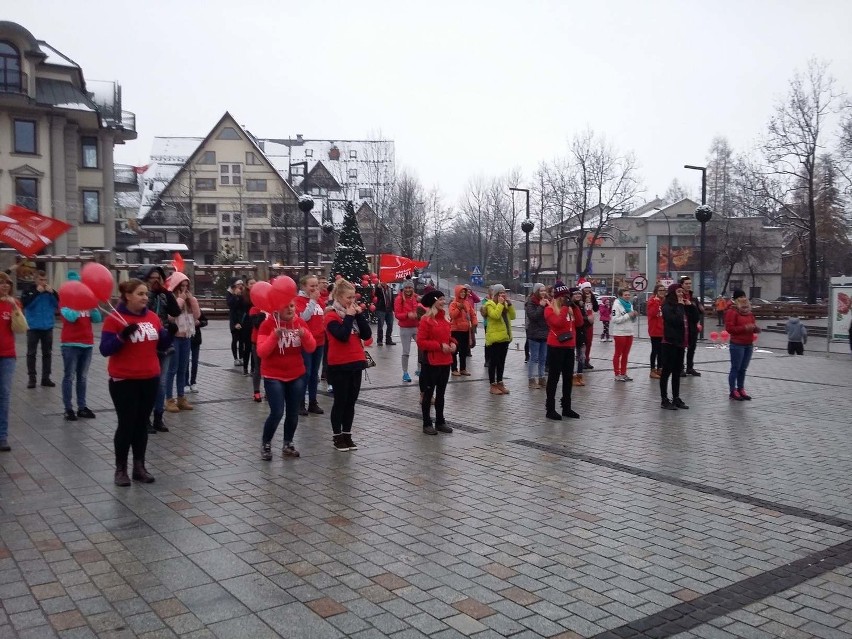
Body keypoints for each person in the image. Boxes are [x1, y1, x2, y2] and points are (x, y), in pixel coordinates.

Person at [99, 279, 172, 486]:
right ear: (128, 296)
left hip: (149, 378)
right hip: (124, 380)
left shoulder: (152, 317)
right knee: (126, 424)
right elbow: (105, 349)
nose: (145, 298)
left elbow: (163, 344)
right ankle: (120, 469)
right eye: (140, 294)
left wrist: (169, 333)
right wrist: (121, 337)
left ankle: (139, 467)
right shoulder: (115, 318)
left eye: (146, 294)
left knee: (141, 424)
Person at [257, 298, 317, 460]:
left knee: (293, 412)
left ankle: (288, 443)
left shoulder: (300, 323)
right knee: (277, 412)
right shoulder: (268, 325)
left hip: (296, 374)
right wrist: (273, 337)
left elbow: (311, 347)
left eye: (292, 306)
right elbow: (262, 352)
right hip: (273, 375)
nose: (290, 309)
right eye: (286, 306)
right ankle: (266, 443)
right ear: (276, 309)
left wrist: (305, 336)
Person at [325, 279, 372, 451]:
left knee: (351, 402)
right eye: (348, 298)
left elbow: (366, 335)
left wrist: (358, 315)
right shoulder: (330, 315)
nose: (351, 301)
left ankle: (347, 434)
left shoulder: (353, 315)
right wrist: (350, 316)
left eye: (353, 297)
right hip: (339, 364)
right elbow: (342, 335)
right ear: (338, 296)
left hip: (356, 362)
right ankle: (337, 437)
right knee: (341, 401)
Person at [138, 265, 180, 434]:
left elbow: (175, 311)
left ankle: (158, 417)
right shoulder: (141, 296)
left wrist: (166, 292)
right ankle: (144, 418)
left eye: (158, 278)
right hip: (146, 343)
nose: (155, 281)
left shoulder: (164, 295)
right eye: (152, 278)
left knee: (161, 383)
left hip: (163, 343)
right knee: (147, 383)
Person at [59, 270, 103, 421]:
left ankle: (82, 407)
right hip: (70, 343)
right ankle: (68, 408)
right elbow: (70, 317)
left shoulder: (87, 302)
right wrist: (78, 305)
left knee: (82, 377)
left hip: (87, 343)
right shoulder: (64, 301)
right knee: (69, 376)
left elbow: (97, 319)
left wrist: (93, 306)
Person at [417, 290, 455, 435]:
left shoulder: (445, 319)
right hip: (431, 362)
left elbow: (448, 337)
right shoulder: (426, 320)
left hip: (445, 361)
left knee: (441, 393)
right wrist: (439, 346)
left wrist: (453, 344)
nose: (443, 302)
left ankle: (440, 421)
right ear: (434, 301)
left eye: (444, 299)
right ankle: (427, 423)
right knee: (428, 393)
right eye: (440, 299)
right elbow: (421, 342)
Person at [544, 282, 583, 420]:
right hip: (556, 347)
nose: (566, 298)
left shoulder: (569, 309)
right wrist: (566, 307)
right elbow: (558, 323)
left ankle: (566, 407)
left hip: (569, 347)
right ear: (558, 297)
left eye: (567, 296)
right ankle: (550, 409)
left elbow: (579, 323)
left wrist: (575, 306)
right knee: (553, 379)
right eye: (563, 296)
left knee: (568, 378)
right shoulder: (549, 310)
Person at [163, 273, 200, 413]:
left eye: (186, 286)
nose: (184, 289)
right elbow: (171, 317)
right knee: (172, 369)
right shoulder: (171, 298)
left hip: (187, 336)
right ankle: (169, 399)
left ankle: (181, 397)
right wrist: (180, 300)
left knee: (183, 369)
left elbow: (197, 316)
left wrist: (192, 301)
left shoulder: (188, 299)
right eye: (181, 286)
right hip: (174, 337)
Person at [0, 273, 26, 452]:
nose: (5, 286)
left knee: (4, 395)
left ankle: (2, 436)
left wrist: (15, 309)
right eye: (1, 283)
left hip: (7, 355)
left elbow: (21, 328)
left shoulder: (14, 303)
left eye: (7, 283)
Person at [295, 275, 326, 415]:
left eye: (316, 285)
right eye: (311, 286)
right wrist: (312, 301)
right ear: (303, 287)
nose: (315, 288)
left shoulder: (319, 300)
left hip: (319, 341)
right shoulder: (298, 300)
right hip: (306, 342)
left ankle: (313, 402)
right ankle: (300, 402)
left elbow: (322, 316)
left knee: (314, 373)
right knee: (304, 373)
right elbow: (303, 318)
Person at [22, 270, 59, 388]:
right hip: (33, 327)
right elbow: (26, 304)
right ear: (35, 279)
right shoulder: (28, 290)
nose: (43, 282)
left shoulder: (50, 291)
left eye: (45, 280)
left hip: (47, 327)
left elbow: (57, 304)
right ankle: (32, 378)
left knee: (47, 353)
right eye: (41, 280)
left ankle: (46, 378)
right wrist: (36, 293)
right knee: (31, 353)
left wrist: (52, 293)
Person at [725, 289, 760, 401]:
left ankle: (741, 389)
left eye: (744, 297)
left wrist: (755, 329)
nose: (744, 299)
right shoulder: (732, 311)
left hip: (748, 344)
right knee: (736, 368)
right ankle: (733, 390)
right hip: (737, 344)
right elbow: (730, 329)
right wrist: (744, 328)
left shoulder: (749, 312)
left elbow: (752, 324)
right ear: (736, 300)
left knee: (743, 369)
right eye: (741, 297)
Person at [659, 284, 690, 410]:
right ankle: (664, 399)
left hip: (680, 342)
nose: (681, 294)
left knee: (677, 371)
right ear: (672, 293)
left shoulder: (682, 305)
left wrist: (690, 306)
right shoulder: (667, 306)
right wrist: (681, 305)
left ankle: (676, 397)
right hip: (669, 342)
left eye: (682, 292)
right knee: (667, 372)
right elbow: (675, 320)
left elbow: (692, 318)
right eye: (678, 292)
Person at [483, 284, 515, 394]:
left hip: (505, 338)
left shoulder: (505, 304)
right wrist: (501, 304)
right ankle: (492, 385)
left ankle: (500, 382)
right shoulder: (489, 304)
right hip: (495, 339)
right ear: (496, 294)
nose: (503, 295)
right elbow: (495, 316)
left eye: (504, 293)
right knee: (494, 363)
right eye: (500, 293)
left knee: (501, 362)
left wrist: (509, 305)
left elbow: (513, 316)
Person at [394, 279, 420, 383]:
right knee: (406, 352)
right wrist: (407, 315)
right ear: (403, 288)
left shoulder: (416, 298)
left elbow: (423, 307)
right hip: (405, 328)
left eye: (410, 287)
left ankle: (420, 369)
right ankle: (405, 373)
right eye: (406, 288)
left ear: (413, 289)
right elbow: (397, 314)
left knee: (422, 348)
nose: (408, 289)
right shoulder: (399, 299)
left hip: (416, 327)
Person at [524, 283, 549, 389]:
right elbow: (533, 316)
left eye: (544, 290)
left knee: (543, 358)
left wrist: (549, 305)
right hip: (534, 333)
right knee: (534, 358)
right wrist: (541, 306)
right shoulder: (531, 302)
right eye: (541, 290)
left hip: (545, 333)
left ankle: (542, 378)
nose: (543, 292)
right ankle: (531, 379)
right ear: (536, 291)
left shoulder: (547, 301)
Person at [611, 287, 638, 381]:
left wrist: (634, 315)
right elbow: (615, 320)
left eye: (628, 295)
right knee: (618, 354)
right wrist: (628, 315)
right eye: (625, 295)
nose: (627, 296)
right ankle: (617, 374)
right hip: (620, 333)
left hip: (629, 332)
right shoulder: (616, 305)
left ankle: (623, 373)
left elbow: (631, 318)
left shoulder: (629, 304)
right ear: (620, 296)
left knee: (626, 354)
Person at [449, 285, 476, 377]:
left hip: (465, 330)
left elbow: (472, 314)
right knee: (454, 350)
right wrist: (459, 308)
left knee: (464, 350)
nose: (463, 294)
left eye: (464, 292)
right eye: (461, 292)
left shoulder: (467, 303)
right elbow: (452, 315)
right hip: (455, 330)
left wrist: (474, 323)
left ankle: (463, 368)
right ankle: (454, 369)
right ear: (457, 293)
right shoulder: (453, 304)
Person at [680, 276, 703, 376]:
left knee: (692, 348)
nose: (688, 285)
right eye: (686, 284)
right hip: (682, 327)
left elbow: (699, 311)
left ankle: (690, 367)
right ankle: (680, 368)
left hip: (693, 327)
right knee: (681, 349)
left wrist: (693, 306)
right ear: (682, 285)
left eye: (690, 283)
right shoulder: (679, 297)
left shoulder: (693, 298)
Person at [185, 310, 208, 393]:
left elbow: (205, 321)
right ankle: (185, 383)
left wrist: (200, 323)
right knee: (185, 362)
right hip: (185, 337)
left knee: (195, 362)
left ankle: (193, 382)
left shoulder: (197, 310)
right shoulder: (182, 309)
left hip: (196, 339)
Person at [568, 287, 587, 386]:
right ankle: (572, 376)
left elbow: (584, 321)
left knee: (581, 356)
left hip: (581, 334)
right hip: (572, 334)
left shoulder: (582, 305)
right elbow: (576, 321)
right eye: (575, 294)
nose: (578, 295)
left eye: (579, 294)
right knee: (571, 357)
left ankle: (580, 375)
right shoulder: (570, 306)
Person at [647, 284, 666, 379]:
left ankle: (660, 368)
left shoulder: (665, 301)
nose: (662, 292)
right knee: (655, 350)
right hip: (655, 330)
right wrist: (656, 303)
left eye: (663, 290)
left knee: (662, 351)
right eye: (660, 290)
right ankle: (652, 370)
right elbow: (652, 313)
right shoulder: (652, 300)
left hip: (663, 330)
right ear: (656, 292)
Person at [226, 279, 247, 366]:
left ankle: (241, 357)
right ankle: (235, 358)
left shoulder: (244, 294)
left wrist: (240, 296)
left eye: (242, 284)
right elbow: (231, 306)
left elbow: (244, 306)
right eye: (238, 284)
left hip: (242, 319)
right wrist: (235, 296)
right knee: (235, 339)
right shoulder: (230, 294)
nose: (240, 286)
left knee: (242, 340)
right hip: (234, 320)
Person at [248, 303, 266, 402]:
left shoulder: (273, 309)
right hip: (257, 342)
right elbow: (256, 324)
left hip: (270, 341)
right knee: (258, 368)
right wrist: (263, 313)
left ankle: (269, 392)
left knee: (269, 369)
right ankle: (256, 392)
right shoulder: (254, 309)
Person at [579, 282, 599, 368]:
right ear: (582, 289)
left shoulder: (592, 297)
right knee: (582, 343)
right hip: (582, 323)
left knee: (589, 342)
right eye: (586, 288)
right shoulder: (579, 297)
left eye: (589, 288)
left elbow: (596, 308)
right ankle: (581, 361)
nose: (587, 289)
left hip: (590, 324)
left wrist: (593, 300)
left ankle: (587, 360)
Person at [240, 279, 256, 375]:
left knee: (254, 347)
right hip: (247, 323)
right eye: (251, 284)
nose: (253, 285)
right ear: (247, 285)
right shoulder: (244, 296)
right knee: (247, 347)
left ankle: (253, 369)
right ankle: (245, 368)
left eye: (254, 283)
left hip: (255, 322)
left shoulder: (258, 294)